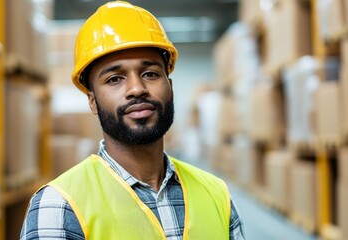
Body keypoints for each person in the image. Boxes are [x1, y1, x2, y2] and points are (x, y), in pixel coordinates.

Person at [21, 1, 245, 239]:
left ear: (170, 87)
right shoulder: (58, 207)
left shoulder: (216, 194)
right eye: (115, 79)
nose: (137, 89)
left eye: (150, 74)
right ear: (93, 101)